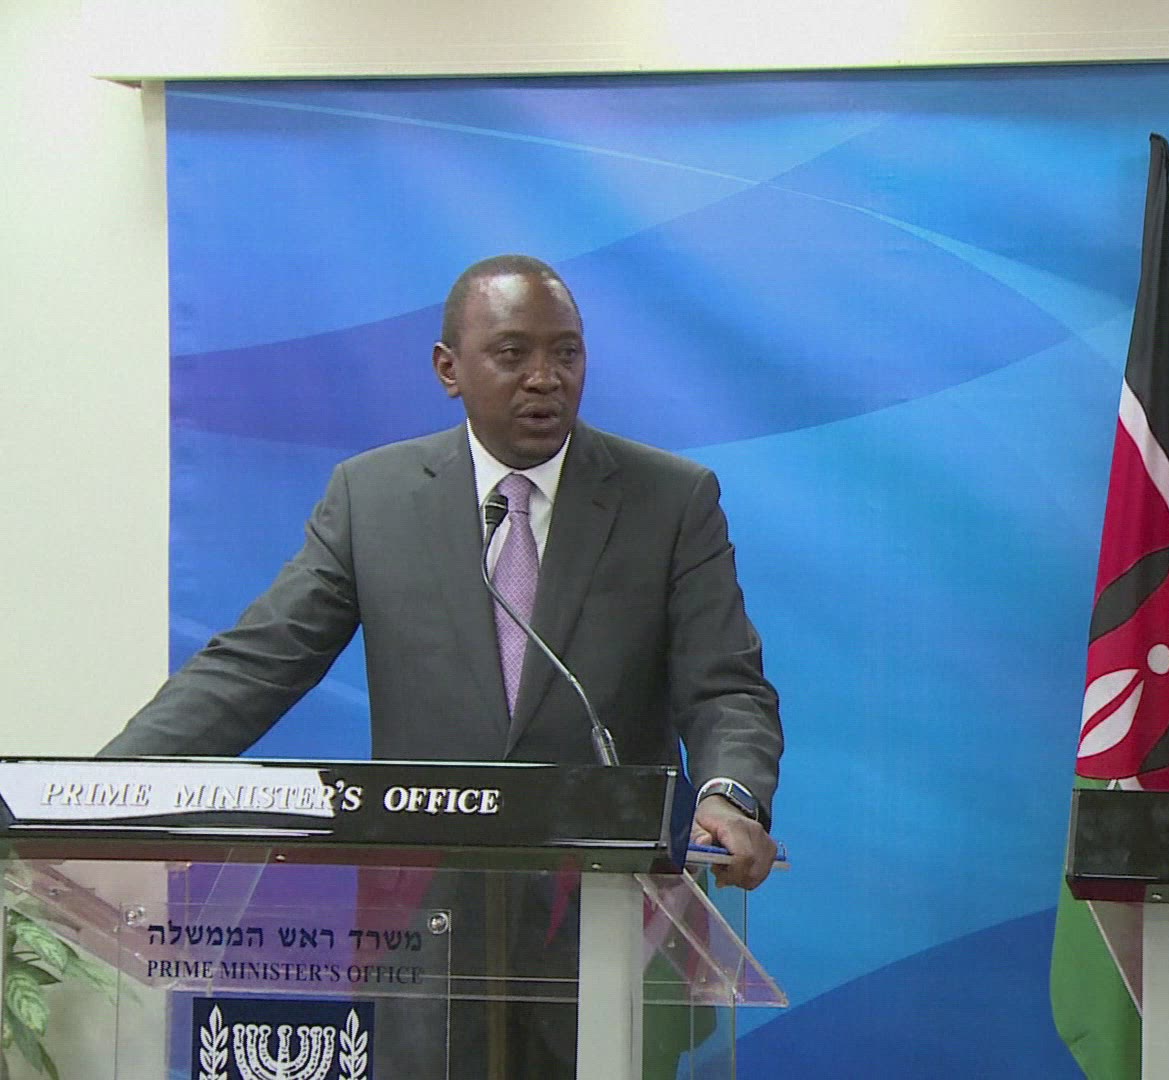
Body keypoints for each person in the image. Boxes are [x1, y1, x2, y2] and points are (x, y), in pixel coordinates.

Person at [102, 254, 784, 1072]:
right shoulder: (374, 499)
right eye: (513, 353)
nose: (545, 378)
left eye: (566, 352)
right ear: (448, 369)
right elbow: (255, 665)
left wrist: (728, 793)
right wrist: (103, 792)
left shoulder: (669, 501)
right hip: (424, 929)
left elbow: (725, 686)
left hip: (613, 922)